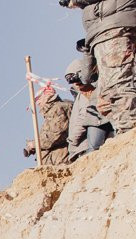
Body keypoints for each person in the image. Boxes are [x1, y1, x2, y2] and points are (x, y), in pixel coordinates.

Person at [63, 0, 136, 135]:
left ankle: (129, 131)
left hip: (115, 26)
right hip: (104, 30)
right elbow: (87, 76)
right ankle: (125, 130)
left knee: (120, 86)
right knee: (107, 96)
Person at [66, 57, 115, 160]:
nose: (75, 84)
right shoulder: (82, 94)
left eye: (76, 79)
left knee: (93, 155)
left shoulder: (90, 91)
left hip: (83, 144)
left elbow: (84, 117)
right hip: (80, 146)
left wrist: (72, 140)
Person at [23, 84, 73, 165]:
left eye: (39, 98)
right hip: (55, 160)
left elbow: (55, 136)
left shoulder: (58, 109)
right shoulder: (51, 113)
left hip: (61, 160)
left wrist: (35, 144)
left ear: (47, 95)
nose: (38, 102)